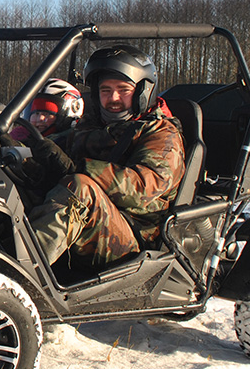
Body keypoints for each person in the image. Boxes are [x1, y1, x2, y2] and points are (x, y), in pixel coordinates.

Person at [26, 44, 185, 267]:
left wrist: (80, 168)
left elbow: (143, 187)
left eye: (123, 89)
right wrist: (19, 152)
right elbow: (55, 149)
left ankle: (21, 271)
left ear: (142, 92)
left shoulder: (162, 134)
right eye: (105, 90)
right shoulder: (91, 127)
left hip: (133, 237)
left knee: (79, 189)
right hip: (96, 224)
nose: (114, 98)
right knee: (15, 179)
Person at [11, 78, 84, 140]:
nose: (40, 118)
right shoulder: (19, 137)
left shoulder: (77, 143)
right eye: (36, 113)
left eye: (47, 113)